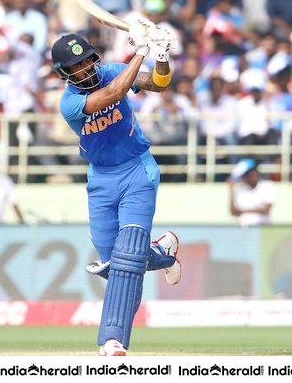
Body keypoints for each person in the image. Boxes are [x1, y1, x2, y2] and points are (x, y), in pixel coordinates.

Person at [52, 26, 181, 356]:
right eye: (76, 67)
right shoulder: (69, 103)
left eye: (88, 62)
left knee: (126, 260)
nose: (85, 69)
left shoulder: (110, 70)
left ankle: (112, 340)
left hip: (137, 169)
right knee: (116, 263)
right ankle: (163, 253)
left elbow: (160, 83)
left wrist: (162, 57)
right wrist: (140, 52)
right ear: (65, 73)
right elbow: (112, 95)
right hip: (100, 180)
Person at [228, 158, 275, 226]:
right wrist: (231, 189)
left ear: (256, 171)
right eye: (247, 174)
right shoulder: (239, 188)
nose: (250, 176)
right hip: (243, 228)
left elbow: (266, 210)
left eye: (252, 172)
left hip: (262, 228)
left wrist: (242, 211)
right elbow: (233, 212)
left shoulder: (267, 186)